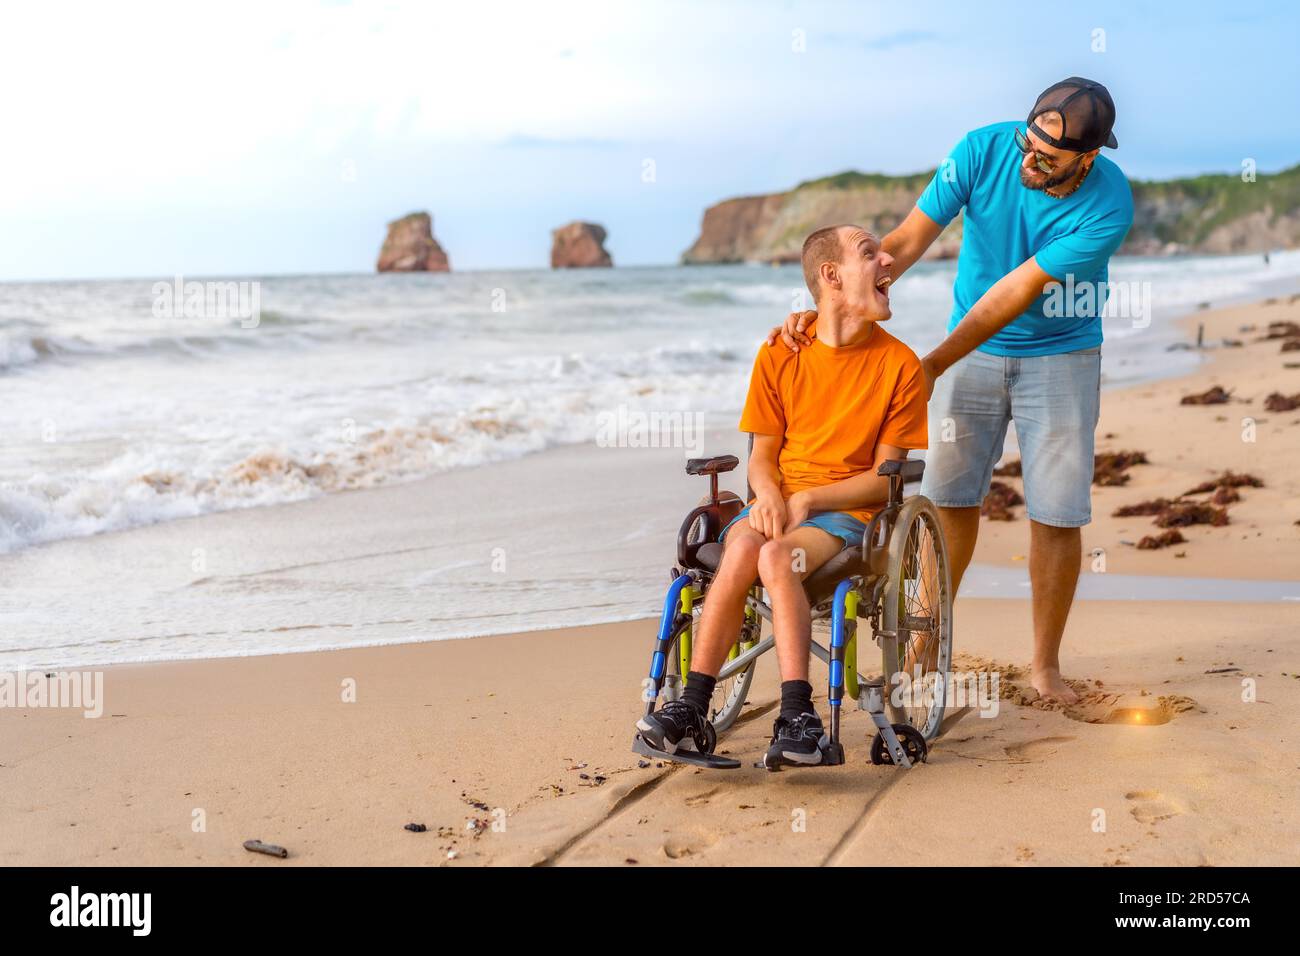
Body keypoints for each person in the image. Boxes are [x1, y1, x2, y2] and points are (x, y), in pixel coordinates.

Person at [771, 78, 1133, 703]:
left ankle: (1044, 666)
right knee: (946, 502)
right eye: (1029, 141)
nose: (1030, 159)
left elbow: (1012, 295)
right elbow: (904, 243)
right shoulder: (977, 151)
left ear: (1088, 157)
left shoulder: (1109, 205)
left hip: (1062, 354)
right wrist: (829, 309)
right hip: (974, 353)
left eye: (1049, 157)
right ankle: (918, 653)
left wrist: (932, 363)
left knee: (1055, 513)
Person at [638, 224, 927, 768]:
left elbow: (884, 479)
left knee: (773, 554)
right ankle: (693, 707)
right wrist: (768, 493)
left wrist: (810, 502)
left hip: (846, 512)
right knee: (746, 548)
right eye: (870, 253)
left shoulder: (901, 366)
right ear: (831, 275)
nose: (889, 259)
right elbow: (763, 457)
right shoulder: (780, 352)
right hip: (779, 503)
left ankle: (799, 714)